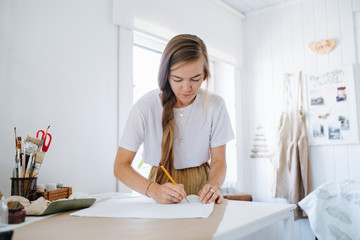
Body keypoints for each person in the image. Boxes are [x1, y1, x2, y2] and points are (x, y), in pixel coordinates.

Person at [114, 34, 234, 204]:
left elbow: (219, 160)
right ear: (166, 75)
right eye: (177, 79)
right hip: (158, 186)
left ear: (205, 74)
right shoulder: (145, 107)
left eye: (195, 79)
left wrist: (214, 184)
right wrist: (154, 190)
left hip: (202, 189)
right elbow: (120, 166)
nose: (186, 88)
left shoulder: (216, 105)